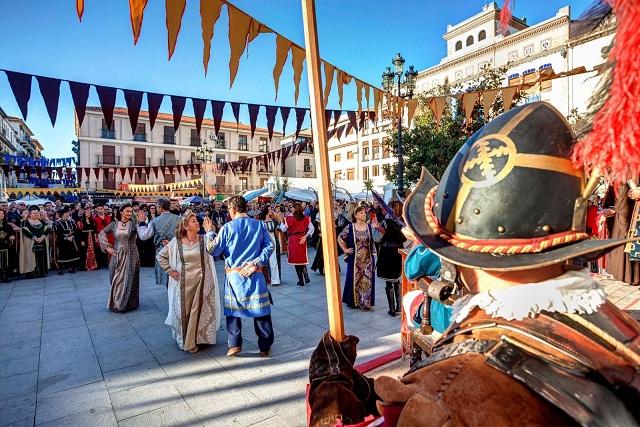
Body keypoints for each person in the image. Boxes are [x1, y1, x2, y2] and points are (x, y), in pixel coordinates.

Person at [308, 102, 640, 426]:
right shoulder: (618, 328)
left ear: (460, 256)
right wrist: (366, 393)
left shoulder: (449, 397)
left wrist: (329, 393)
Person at [203, 196, 274, 357]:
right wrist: (256, 263)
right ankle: (265, 346)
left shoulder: (227, 228)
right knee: (261, 311)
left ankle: (234, 345)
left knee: (233, 312)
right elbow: (270, 246)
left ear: (233, 209)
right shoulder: (259, 225)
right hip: (255, 274)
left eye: (228, 209)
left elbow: (213, 250)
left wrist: (209, 233)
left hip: (234, 277)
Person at [157, 210, 221, 353]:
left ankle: (199, 339)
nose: (197, 223)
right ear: (185, 226)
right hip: (184, 283)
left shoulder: (204, 239)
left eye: (197, 221)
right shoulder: (176, 242)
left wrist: (210, 231)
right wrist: (170, 271)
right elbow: (161, 256)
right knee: (184, 313)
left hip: (204, 281)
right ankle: (187, 339)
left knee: (201, 311)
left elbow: (215, 249)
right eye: (193, 221)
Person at [98, 204, 140, 313]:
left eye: (131, 212)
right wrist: (107, 247)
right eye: (127, 211)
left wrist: (142, 222)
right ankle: (116, 302)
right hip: (116, 254)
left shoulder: (134, 225)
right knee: (114, 277)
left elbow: (143, 234)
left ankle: (126, 304)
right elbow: (102, 233)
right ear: (121, 212)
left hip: (131, 254)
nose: (129, 214)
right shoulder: (114, 224)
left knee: (129, 278)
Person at [338, 206, 376, 311]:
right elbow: (340, 238)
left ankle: (365, 302)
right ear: (356, 215)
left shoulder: (369, 227)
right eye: (361, 213)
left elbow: (377, 239)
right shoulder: (350, 227)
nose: (363, 214)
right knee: (354, 279)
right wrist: (345, 249)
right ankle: (354, 301)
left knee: (367, 280)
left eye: (364, 212)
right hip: (354, 259)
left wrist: (377, 229)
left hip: (368, 259)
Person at [137, 198, 180, 287]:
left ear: (160, 207)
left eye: (157, 207)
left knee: (168, 275)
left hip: (162, 252)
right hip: (177, 250)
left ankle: (173, 298)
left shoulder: (155, 221)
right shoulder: (179, 219)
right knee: (177, 275)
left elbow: (143, 236)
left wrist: (141, 222)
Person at [375, 201, 407, 316]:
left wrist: (379, 229)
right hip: (398, 252)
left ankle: (393, 309)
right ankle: (398, 307)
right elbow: (404, 238)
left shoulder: (386, 223)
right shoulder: (403, 223)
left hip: (387, 252)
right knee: (396, 280)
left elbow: (377, 238)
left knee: (389, 281)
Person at [280, 202, 314, 286]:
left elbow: (283, 229)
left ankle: (301, 280)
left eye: (292, 207)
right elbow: (312, 228)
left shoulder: (289, 218)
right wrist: (305, 236)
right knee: (302, 259)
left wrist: (281, 222)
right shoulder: (306, 218)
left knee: (296, 261)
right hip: (302, 238)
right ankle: (306, 276)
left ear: (295, 209)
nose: (291, 209)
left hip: (293, 239)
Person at [19, 206, 51, 278]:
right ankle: (32, 273)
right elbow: (25, 230)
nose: (36, 214)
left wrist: (42, 237)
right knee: (30, 256)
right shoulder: (25, 222)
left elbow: (47, 229)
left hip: (42, 241)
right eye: (34, 213)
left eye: (37, 213)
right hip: (30, 242)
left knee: (41, 255)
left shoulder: (41, 221)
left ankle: (41, 272)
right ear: (29, 214)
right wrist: (35, 238)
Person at [54, 207, 81, 274]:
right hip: (62, 240)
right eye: (65, 213)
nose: (67, 214)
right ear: (62, 215)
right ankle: (60, 269)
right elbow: (58, 233)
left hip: (72, 239)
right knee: (62, 254)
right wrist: (66, 238)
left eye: (67, 213)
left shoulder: (71, 221)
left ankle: (71, 267)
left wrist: (72, 236)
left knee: (71, 253)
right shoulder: (57, 223)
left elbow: (75, 230)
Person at [258, 206, 281, 285]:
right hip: (264, 240)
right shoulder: (261, 221)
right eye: (269, 209)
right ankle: (266, 279)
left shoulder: (274, 220)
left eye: (271, 209)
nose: (271, 210)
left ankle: (275, 280)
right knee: (264, 260)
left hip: (272, 239)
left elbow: (281, 227)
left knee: (273, 260)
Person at [93, 204, 112, 269]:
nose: (100, 210)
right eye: (99, 209)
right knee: (100, 249)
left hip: (109, 235)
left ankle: (108, 263)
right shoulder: (94, 219)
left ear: (104, 209)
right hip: (100, 235)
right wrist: (95, 237)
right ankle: (100, 263)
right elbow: (94, 229)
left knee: (109, 248)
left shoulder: (109, 217)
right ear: (96, 210)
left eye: (101, 208)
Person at [0, 210, 16, 282]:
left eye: (2, 214)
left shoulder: (8, 225)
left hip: (6, 245)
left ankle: (6, 276)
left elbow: (11, 233)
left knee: (6, 260)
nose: (1, 215)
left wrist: (12, 236)